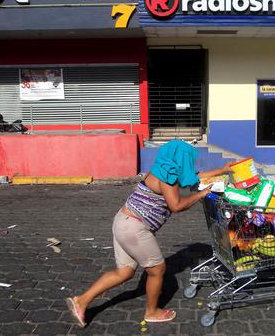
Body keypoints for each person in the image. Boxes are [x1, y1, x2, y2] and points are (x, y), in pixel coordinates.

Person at [66, 140, 231, 327]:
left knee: (124, 272)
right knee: (157, 270)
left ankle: (81, 300)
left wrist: (222, 170)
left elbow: (193, 177)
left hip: (123, 221)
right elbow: (176, 206)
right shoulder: (168, 177)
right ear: (182, 159)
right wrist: (201, 195)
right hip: (135, 228)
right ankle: (152, 312)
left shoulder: (163, 169)